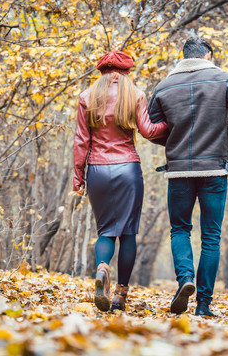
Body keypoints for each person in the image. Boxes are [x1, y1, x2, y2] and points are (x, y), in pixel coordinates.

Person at [148, 37, 228, 316]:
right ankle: (204, 305)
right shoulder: (221, 78)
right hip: (214, 170)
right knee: (211, 237)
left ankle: (185, 279)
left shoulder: (164, 85)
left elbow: (153, 127)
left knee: (180, 229)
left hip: (179, 172)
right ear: (208, 55)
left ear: (183, 56)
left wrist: (175, 142)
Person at [73, 50, 168, 312]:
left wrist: (78, 176)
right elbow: (149, 130)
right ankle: (120, 296)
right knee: (128, 233)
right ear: (127, 72)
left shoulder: (86, 96)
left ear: (101, 72)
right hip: (128, 169)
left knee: (105, 231)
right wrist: (171, 125)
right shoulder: (135, 94)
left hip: (97, 170)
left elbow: (82, 140)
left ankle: (102, 268)